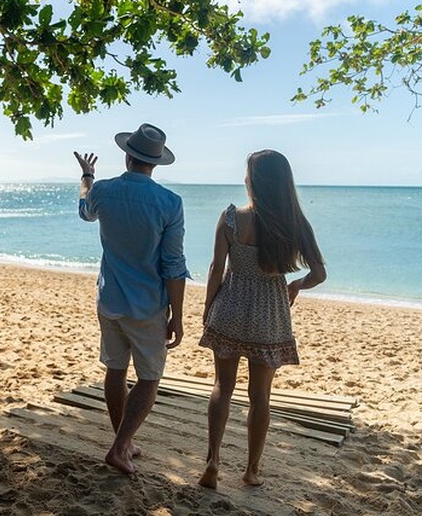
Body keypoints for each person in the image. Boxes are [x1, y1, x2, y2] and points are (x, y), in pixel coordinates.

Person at [198, 149, 326, 489]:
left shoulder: (230, 218)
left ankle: (212, 462)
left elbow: (216, 269)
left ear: (252, 180)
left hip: (231, 308)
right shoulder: (296, 223)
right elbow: (319, 273)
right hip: (270, 314)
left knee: (222, 388)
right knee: (260, 396)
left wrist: (209, 306)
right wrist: (296, 285)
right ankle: (252, 470)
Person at [76, 123, 189, 474]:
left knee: (115, 368)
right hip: (147, 305)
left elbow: (84, 209)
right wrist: (178, 316)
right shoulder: (170, 203)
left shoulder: (104, 192)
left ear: (127, 155)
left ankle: (123, 442)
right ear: (155, 163)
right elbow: (173, 265)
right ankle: (121, 445)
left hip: (110, 299)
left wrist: (87, 176)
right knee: (150, 378)